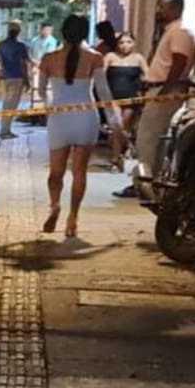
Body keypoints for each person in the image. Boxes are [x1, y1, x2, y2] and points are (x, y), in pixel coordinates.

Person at [38, 15, 119, 238]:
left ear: (63, 33)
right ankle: (73, 217)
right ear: (85, 34)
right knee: (79, 171)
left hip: (59, 118)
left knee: (56, 172)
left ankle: (54, 205)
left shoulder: (49, 58)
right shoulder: (95, 58)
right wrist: (114, 121)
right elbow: (103, 92)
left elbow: (42, 91)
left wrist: (48, 108)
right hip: (86, 117)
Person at [117, 0, 195, 199]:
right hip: (159, 89)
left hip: (165, 91)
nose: (158, 11)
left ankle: (146, 183)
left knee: (149, 136)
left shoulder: (180, 32)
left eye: (162, 7)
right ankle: (148, 181)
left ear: (175, 10)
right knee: (153, 137)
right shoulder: (169, 32)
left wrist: (165, 90)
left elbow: (180, 62)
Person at [105, 32, 149, 172]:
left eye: (129, 42)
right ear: (117, 44)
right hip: (113, 97)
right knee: (117, 126)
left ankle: (122, 153)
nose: (125, 45)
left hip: (131, 98)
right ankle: (115, 158)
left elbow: (148, 76)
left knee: (124, 127)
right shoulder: (110, 57)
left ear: (134, 43)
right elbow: (100, 76)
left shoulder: (138, 59)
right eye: (122, 42)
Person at [0, 21, 32, 140]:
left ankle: (5, 130)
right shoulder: (20, 46)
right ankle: (5, 131)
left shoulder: (2, 45)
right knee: (11, 105)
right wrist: (27, 80)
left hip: (5, 78)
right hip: (16, 78)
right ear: (18, 32)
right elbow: (23, 64)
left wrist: (0, 70)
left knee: (6, 104)